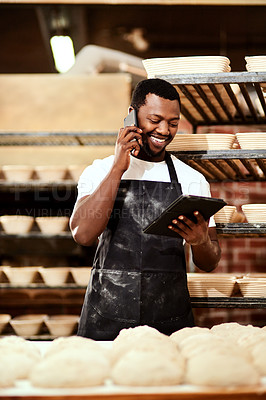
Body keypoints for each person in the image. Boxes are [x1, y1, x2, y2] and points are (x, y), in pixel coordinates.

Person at [70, 78, 221, 340]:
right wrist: (118, 167)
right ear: (132, 116)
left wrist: (200, 241)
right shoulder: (100, 170)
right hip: (106, 317)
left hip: (169, 320)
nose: (164, 130)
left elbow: (210, 262)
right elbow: (83, 234)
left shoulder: (191, 180)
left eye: (173, 123)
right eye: (155, 119)